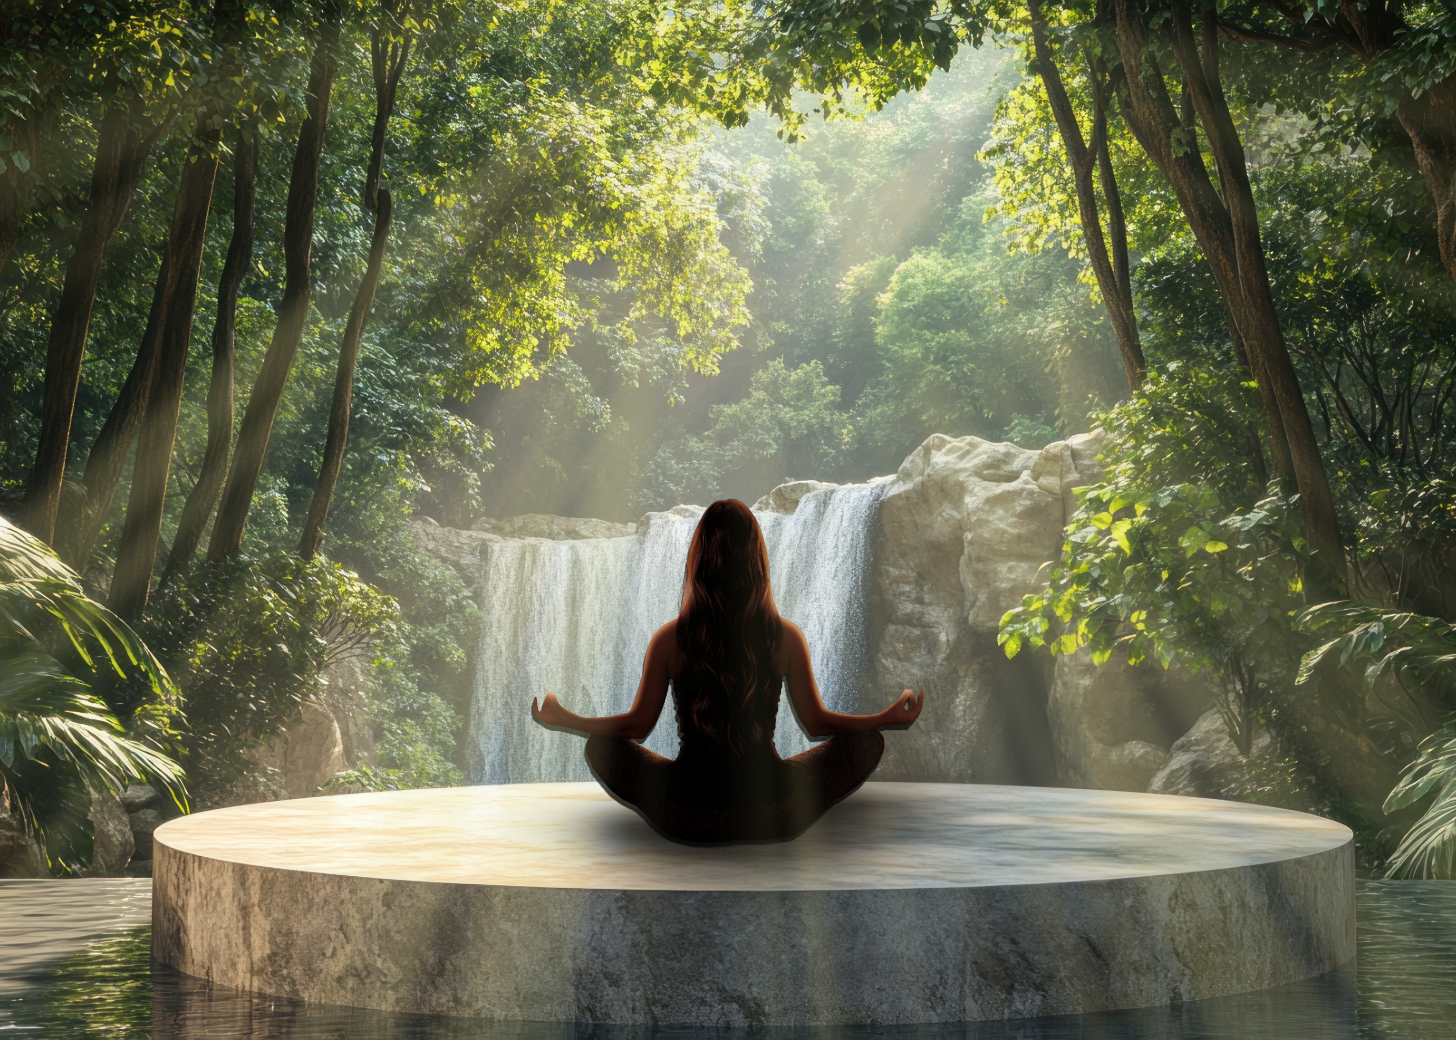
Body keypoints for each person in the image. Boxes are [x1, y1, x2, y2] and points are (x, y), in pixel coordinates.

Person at [530, 498, 924, 845]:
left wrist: (569, 719)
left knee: (601, 745)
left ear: (699, 560)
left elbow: (636, 727)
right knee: (867, 741)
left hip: (684, 815)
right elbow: (818, 724)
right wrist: (884, 719)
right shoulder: (783, 636)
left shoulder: (670, 638)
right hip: (776, 812)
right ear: (756, 559)